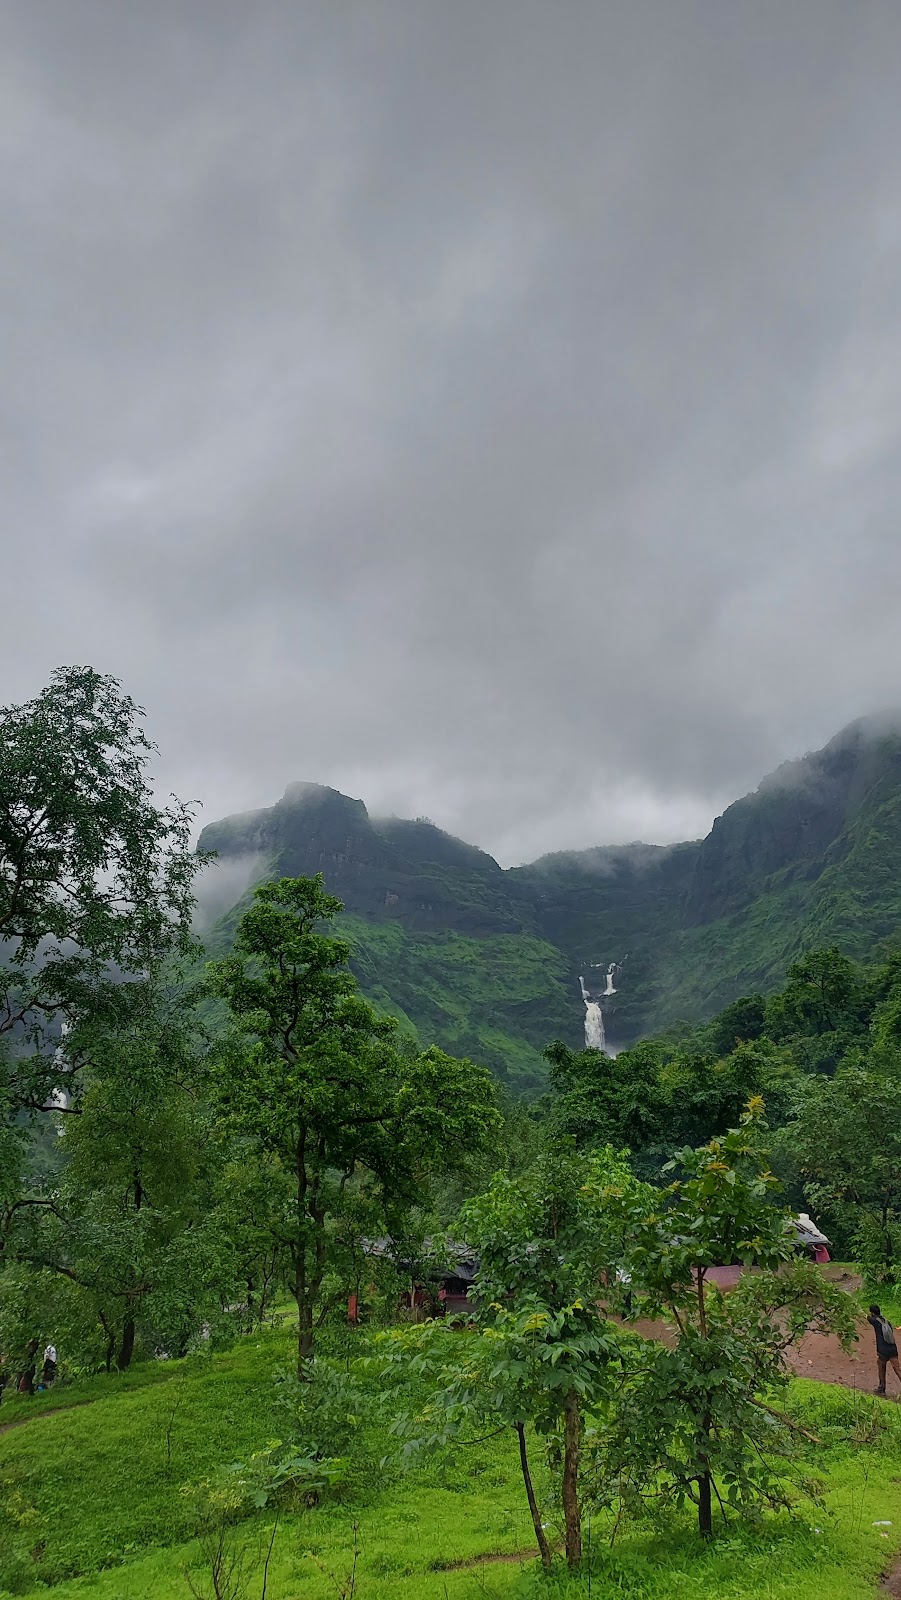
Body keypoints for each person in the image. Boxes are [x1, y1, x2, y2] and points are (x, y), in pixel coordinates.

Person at [867, 1305, 901, 1396]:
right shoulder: (887, 1321)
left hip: (883, 1349)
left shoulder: (874, 1321)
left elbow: (868, 1318)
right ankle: (881, 1388)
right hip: (892, 1348)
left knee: (881, 1367)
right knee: (897, 1369)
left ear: (872, 1313)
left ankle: (881, 1388)